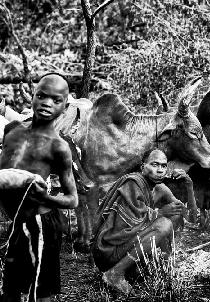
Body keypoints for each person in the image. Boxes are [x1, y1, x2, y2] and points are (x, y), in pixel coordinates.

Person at [0, 73, 79, 302]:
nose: (47, 103)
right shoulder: (11, 131)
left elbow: (72, 199)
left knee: (40, 292)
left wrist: (47, 198)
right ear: (32, 97)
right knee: (10, 288)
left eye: (56, 100)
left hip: (41, 224)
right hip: (15, 223)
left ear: (65, 108)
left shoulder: (59, 147)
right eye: (42, 96)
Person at [91, 149, 195, 294]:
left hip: (125, 249)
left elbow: (191, 218)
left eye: (164, 166)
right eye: (154, 164)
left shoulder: (161, 189)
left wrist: (189, 186)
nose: (160, 170)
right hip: (109, 250)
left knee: (175, 216)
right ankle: (115, 273)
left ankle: (164, 261)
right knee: (164, 224)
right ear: (142, 167)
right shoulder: (133, 183)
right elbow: (120, 231)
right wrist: (160, 213)